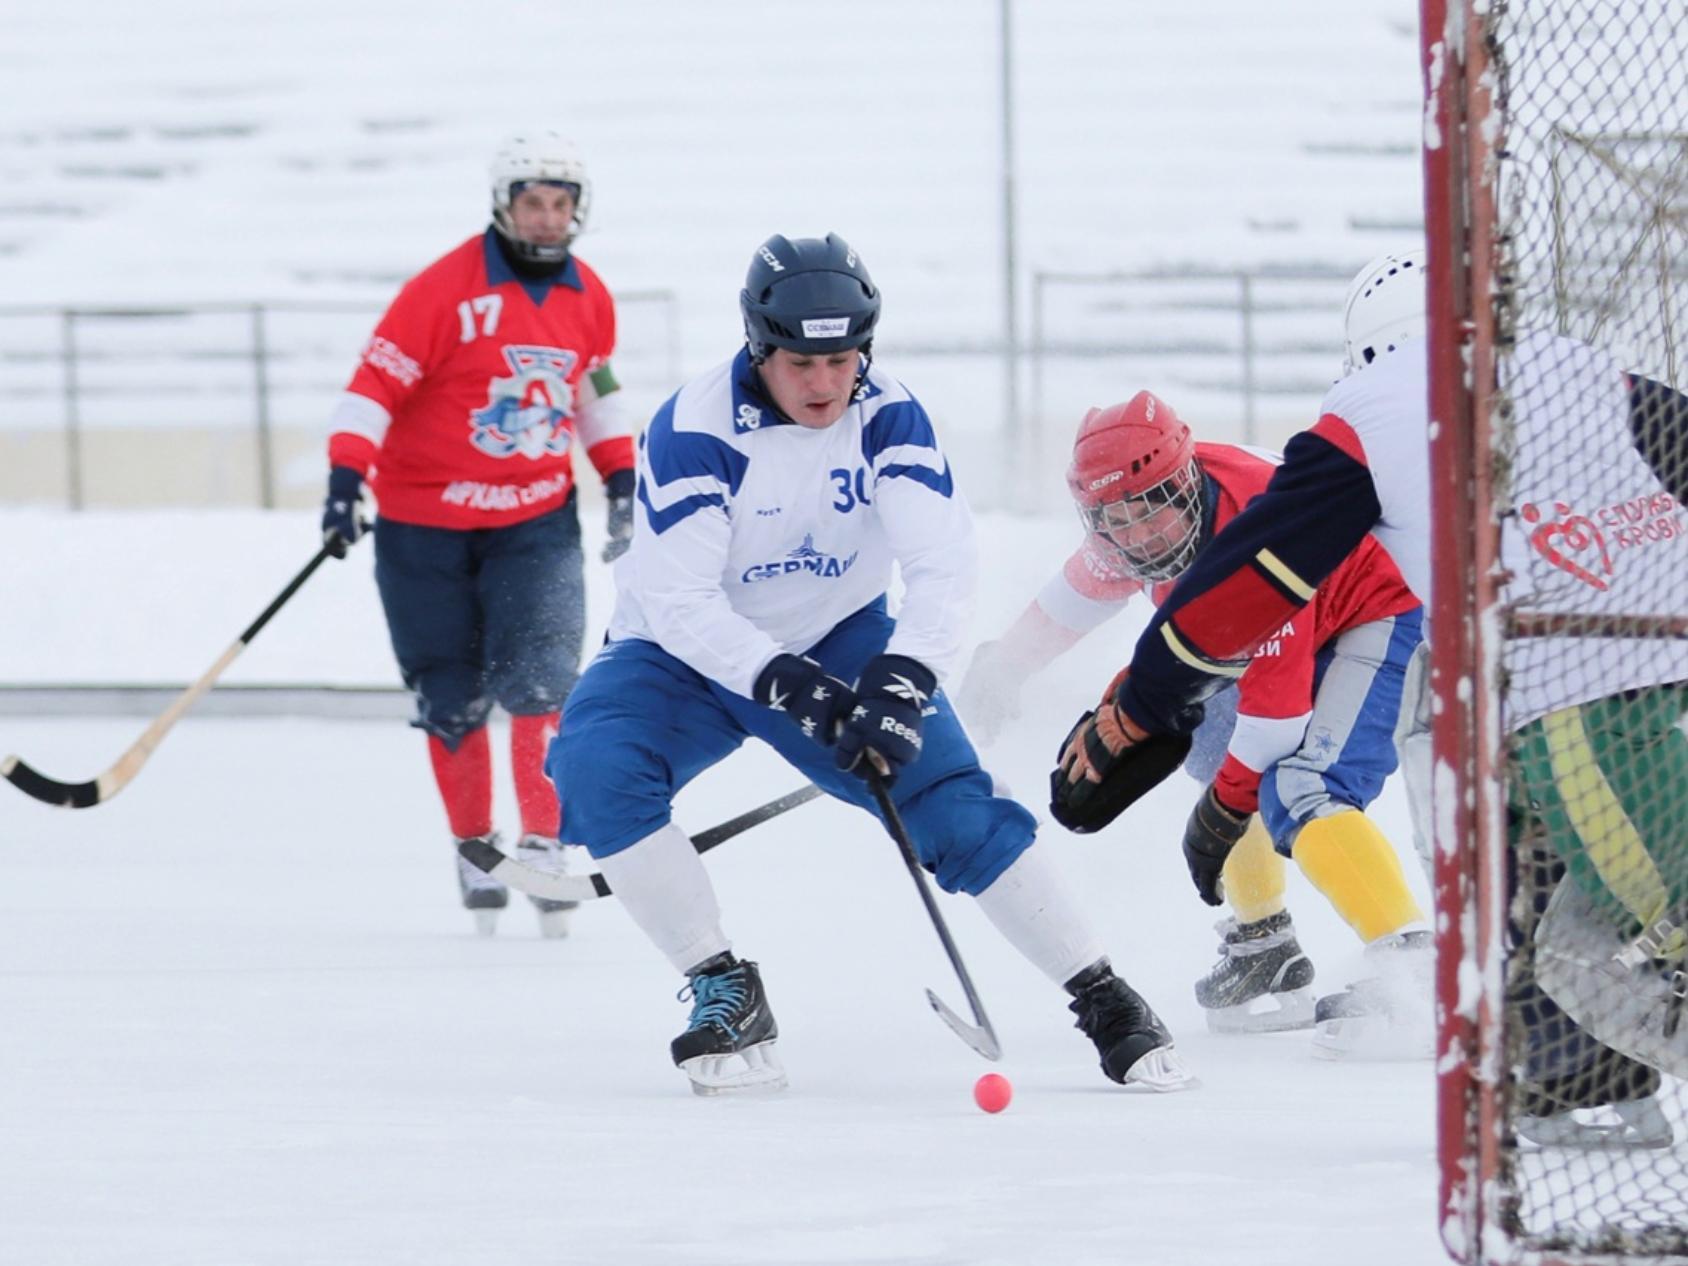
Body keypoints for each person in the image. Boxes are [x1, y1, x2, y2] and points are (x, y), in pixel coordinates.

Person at [1050, 247, 1688, 1142]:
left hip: (1585, 697)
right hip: (1568, 686)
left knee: (1628, 914)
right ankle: (1574, 1078)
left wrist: (1142, 709)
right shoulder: (1569, 363)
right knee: (1545, 913)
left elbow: (1249, 590)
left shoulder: (1376, 410)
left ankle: (1424, 971)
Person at [545, 232, 1195, 1095]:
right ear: (759, 349)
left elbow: (942, 565)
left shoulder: (889, 413)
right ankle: (722, 984)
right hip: (682, 654)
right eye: (801, 363)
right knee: (592, 766)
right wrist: (786, 684)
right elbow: (679, 601)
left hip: (840, 633)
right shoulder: (692, 428)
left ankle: (1103, 993)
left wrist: (902, 679)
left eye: (842, 359)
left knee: (952, 808)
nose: (824, 383)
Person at [956, 391, 1428, 1044]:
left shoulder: (1255, 530)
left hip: (1372, 611)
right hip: (1275, 625)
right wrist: (1005, 668)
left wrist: (1225, 813)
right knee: (1208, 747)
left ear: (1186, 483)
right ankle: (1264, 948)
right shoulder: (1133, 531)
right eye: (1113, 519)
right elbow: (1076, 597)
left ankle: (1415, 972)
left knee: (1303, 785)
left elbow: (1276, 718)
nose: (1136, 535)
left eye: (1149, 510)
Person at [319, 131, 636, 937]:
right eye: (533, 203)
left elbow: (596, 392)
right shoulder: (443, 291)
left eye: (560, 204)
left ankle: (543, 842)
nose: (546, 218)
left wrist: (622, 477)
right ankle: (473, 845)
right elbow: (373, 385)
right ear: (504, 206)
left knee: (542, 685)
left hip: (534, 519)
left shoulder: (587, 297)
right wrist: (346, 478)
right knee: (452, 699)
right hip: (424, 529)